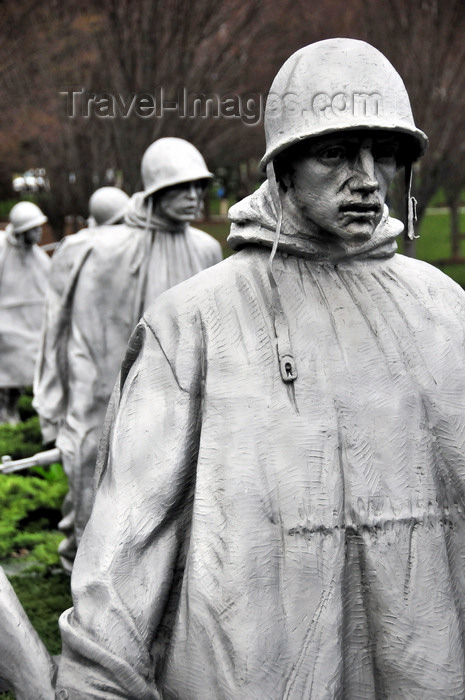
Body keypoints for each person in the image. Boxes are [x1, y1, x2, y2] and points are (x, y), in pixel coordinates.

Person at [57, 39, 465, 698]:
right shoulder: (192, 322)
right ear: (283, 167)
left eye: (381, 154)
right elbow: (129, 539)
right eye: (334, 153)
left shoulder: (444, 309)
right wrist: (97, 678)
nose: (365, 177)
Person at [33, 138, 222, 572]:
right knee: (99, 458)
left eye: (199, 188)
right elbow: (75, 324)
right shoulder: (102, 248)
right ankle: (83, 554)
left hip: (183, 378)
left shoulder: (205, 248)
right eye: (182, 188)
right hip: (111, 375)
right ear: (156, 191)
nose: (194, 198)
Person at [0, 201, 50, 423]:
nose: (40, 232)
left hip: (29, 326)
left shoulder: (38, 256)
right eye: (34, 228)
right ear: (22, 231)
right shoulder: (2, 250)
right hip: (5, 326)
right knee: (5, 375)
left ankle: (12, 408)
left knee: (22, 375)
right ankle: (5, 412)